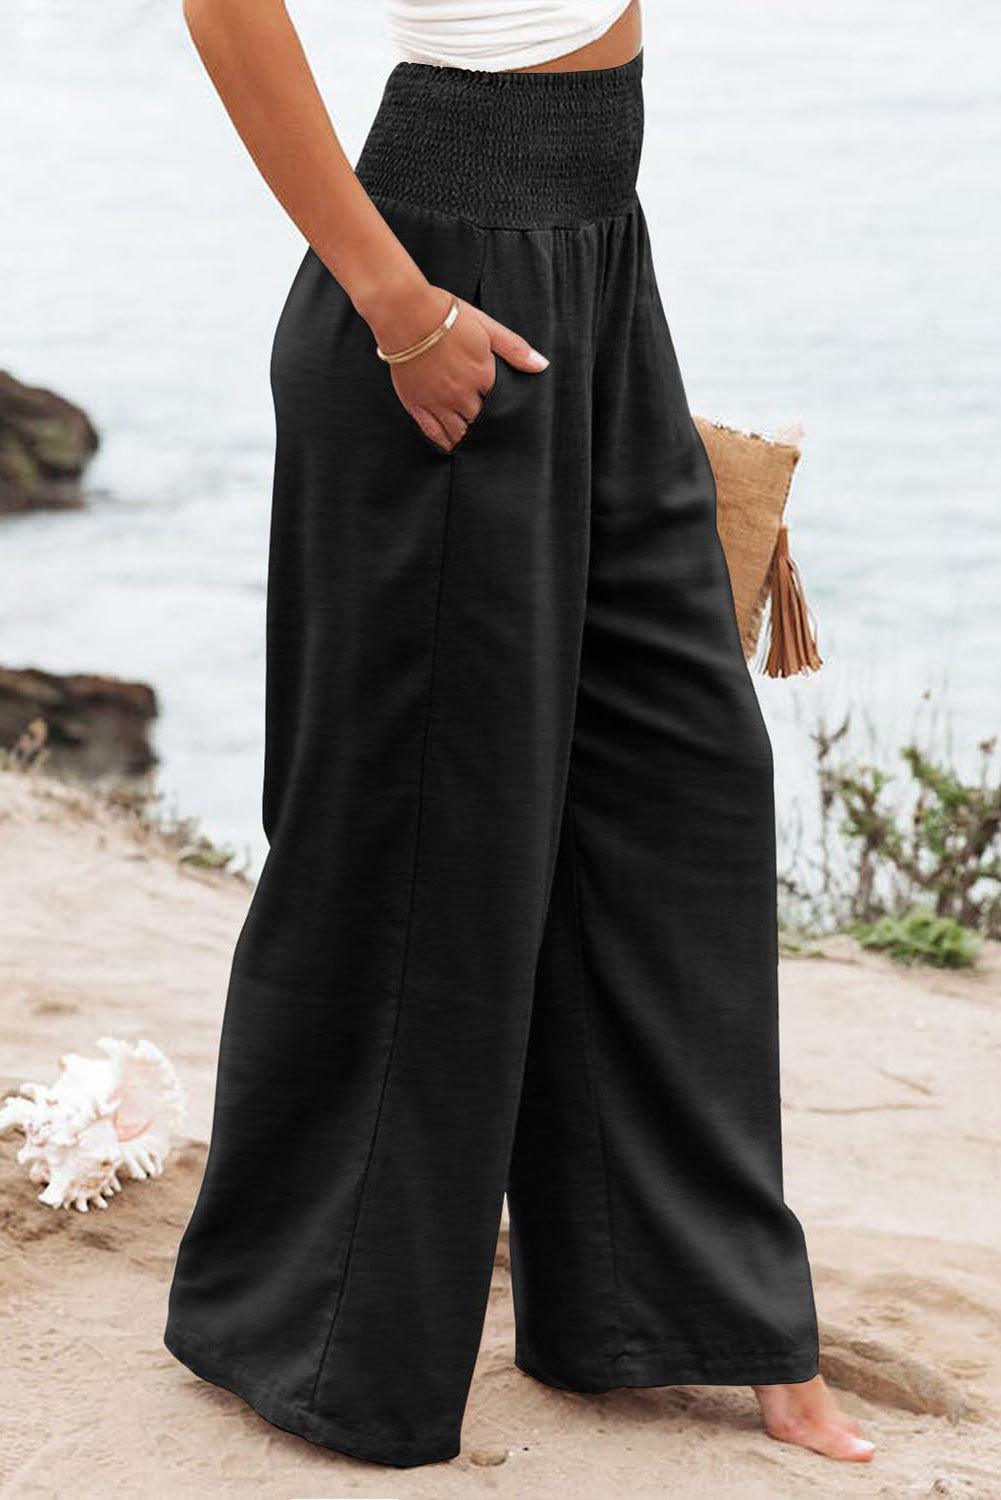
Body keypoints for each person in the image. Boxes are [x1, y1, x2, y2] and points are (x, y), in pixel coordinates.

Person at [164, 0, 875, 1470]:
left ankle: (679, 1307)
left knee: (677, 781)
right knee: (428, 833)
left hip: (597, 248)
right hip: (444, 271)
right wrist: (396, 301)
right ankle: (321, 1339)